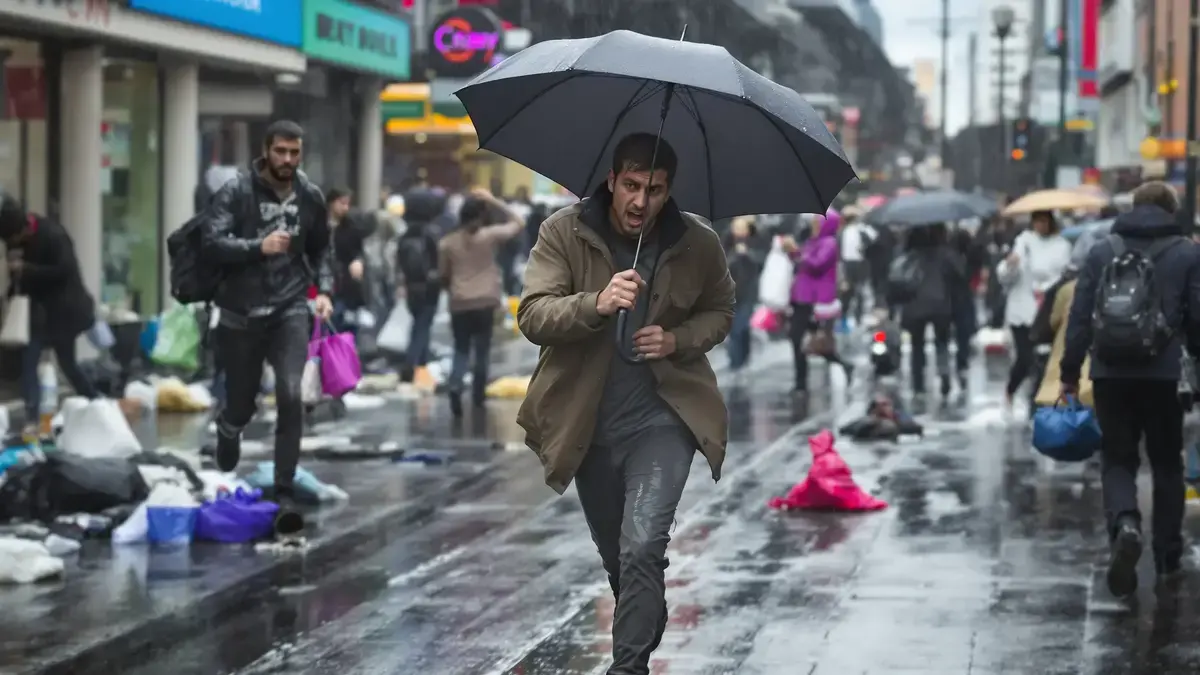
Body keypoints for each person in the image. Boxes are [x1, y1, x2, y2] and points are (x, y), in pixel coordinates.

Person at [516, 132, 734, 674]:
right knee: (623, 563)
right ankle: (642, 611)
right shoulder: (563, 233)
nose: (641, 201)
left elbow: (722, 310)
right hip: (587, 425)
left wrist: (676, 340)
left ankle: (628, 667)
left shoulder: (697, 241)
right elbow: (533, 315)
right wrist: (596, 302)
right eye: (631, 186)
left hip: (663, 420)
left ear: (669, 189)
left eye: (655, 189)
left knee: (642, 546)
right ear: (611, 180)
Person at [1061, 181, 1200, 596]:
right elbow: (1196, 319)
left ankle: (1125, 524)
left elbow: (1080, 315)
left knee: (1118, 458)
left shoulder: (1102, 250)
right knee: (1166, 462)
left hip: (1110, 371)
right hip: (1165, 374)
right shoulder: (1188, 253)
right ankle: (1167, 554)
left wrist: (1070, 371)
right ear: (1171, 209)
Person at [202, 120, 334, 523]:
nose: (288, 160)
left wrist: (325, 290)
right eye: (280, 151)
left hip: (290, 308)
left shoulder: (310, 196)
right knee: (242, 404)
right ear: (266, 150)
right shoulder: (236, 191)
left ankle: (283, 487)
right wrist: (256, 247)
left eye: (294, 153)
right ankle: (229, 427)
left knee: (291, 395)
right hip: (240, 314)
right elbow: (211, 242)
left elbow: (322, 250)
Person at [0, 193, 97, 432]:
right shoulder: (13, 242)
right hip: (37, 312)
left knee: (68, 364)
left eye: (16, 236)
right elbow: (18, 278)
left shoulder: (53, 234)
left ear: (24, 227)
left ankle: (98, 404)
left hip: (64, 311)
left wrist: (27, 269)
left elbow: (64, 270)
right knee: (29, 362)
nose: (14, 242)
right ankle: (31, 420)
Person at [437, 188, 524, 417]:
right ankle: (478, 397)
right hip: (485, 301)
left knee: (461, 349)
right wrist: (493, 199)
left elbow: (443, 275)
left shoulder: (447, 243)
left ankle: (456, 384)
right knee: (482, 350)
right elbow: (518, 222)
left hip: (460, 302)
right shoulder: (490, 236)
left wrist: (453, 290)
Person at [996, 210, 1071, 414]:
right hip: (1021, 309)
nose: (1040, 226)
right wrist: (1010, 265)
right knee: (1025, 357)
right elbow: (1006, 277)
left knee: (1044, 359)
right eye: (1037, 221)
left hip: (1047, 311)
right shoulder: (1024, 242)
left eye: (1044, 221)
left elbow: (1064, 275)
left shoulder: (1062, 246)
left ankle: (1036, 402)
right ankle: (1011, 391)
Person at [783, 209, 852, 394]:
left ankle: (803, 382)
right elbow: (802, 264)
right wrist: (793, 253)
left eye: (817, 221)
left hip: (813, 299)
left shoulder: (829, 244)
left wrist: (797, 252)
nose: (813, 225)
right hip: (801, 297)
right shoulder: (812, 241)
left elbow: (816, 265)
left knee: (807, 340)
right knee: (802, 339)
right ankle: (801, 382)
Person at [895, 224, 966, 398]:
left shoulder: (908, 257)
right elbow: (960, 276)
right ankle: (944, 379)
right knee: (942, 344)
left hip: (915, 306)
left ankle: (918, 384)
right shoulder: (945, 255)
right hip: (940, 305)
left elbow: (896, 281)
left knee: (916, 346)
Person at [395, 187, 444, 385]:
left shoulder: (405, 233)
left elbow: (399, 261)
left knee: (417, 324)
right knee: (423, 326)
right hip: (429, 286)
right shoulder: (432, 233)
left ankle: (421, 364)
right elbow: (438, 260)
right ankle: (412, 364)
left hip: (411, 285)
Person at [722, 216, 765, 374]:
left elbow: (761, 262)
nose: (739, 231)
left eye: (742, 227)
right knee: (734, 329)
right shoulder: (727, 242)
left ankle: (738, 363)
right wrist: (735, 256)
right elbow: (721, 262)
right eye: (736, 227)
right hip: (730, 291)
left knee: (740, 328)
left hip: (748, 292)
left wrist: (748, 254)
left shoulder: (756, 241)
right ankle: (736, 363)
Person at [325, 188, 367, 337]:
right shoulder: (319, 225)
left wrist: (357, 261)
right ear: (331, 202)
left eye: (347, 204)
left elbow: (357, 250)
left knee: (345, 326)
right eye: (342, 203)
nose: (345, 208)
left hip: (344, 283)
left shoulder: (351, 226)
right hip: (321, 285)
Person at [837, 206, 875, 324]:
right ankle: (851, 316)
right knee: (854, 291)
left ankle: (850, 316)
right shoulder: (852, 231)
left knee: (852, 291)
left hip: (851, 263)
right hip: (854, 263)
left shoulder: (844, 232)